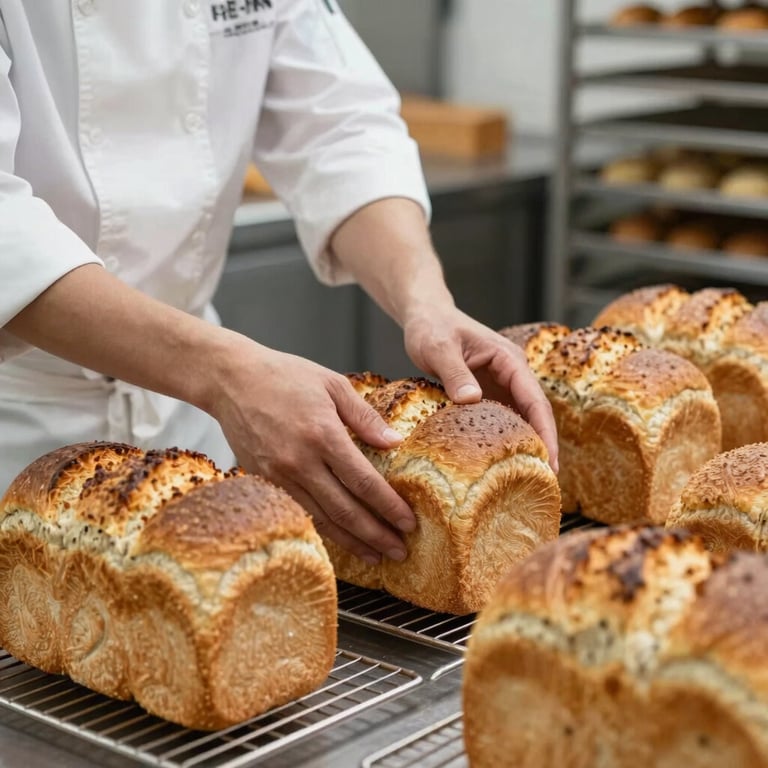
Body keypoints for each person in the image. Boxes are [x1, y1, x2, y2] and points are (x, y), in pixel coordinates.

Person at [0, 0, 557, 566]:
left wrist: (426, 300)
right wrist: (223, 374)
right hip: (19, 433)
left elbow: (341, 127)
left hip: (187, 436)